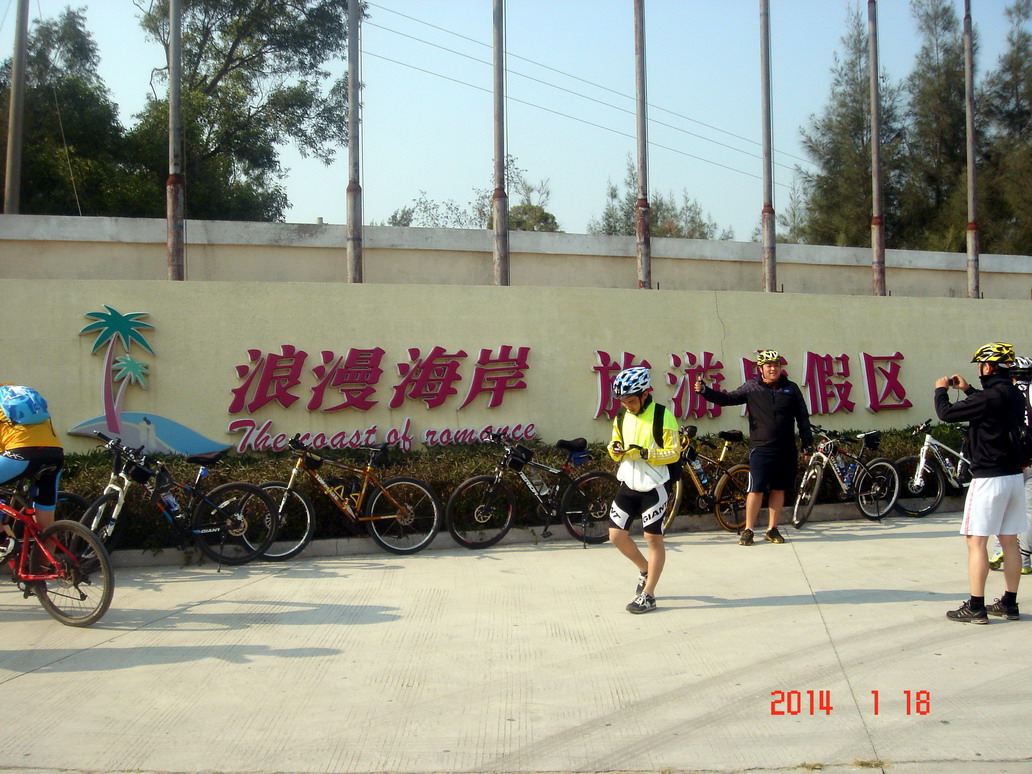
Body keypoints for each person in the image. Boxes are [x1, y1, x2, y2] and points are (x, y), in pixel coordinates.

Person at [935, 343, 1026, 624]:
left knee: (976, 542)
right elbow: (990, 407)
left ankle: (976, 606)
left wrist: (940, 390)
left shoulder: (988, 397)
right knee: (1010, 541)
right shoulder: (1014, 393)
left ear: (988, 367)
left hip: (988, 478)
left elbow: (946, 413)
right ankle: (1009, 604)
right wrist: (968, 390)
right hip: (1014, 477)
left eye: (980, 365)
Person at [693, 349, 812, 546]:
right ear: (760, 369)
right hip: (761, 448)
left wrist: (807, 444)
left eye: (776, 365)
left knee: (778, 489)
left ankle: (772, 529)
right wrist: (705, 391)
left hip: (786, 449)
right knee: (756, 490)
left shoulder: (791, 388)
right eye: (769, 366)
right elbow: (728, 399)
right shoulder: (752, 388)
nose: (773, 369)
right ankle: (748, 530)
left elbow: (802, 417)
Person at [606, 366, 681, 614]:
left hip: (655, 486)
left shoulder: (663, 415)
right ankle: (645, 569)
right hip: (629, 482)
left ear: (645, 394)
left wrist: (646, 454)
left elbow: (674, 452)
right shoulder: (621, 417)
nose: (627, 406)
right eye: (623, 402)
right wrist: (614, 449)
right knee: (616, 536)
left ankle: (649, 595)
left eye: (631, 401)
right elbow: (614, 441)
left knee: (652, 539)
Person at [987, 355, 1032, 577]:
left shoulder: (1004, 393)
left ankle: (999, 549)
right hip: (1030, 457)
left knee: (1004, 507)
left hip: (1008, 459)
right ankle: (1024, 558)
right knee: (1029, 510)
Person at [0, 384, 64, 533]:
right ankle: (48, 548)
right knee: (46, 529)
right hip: (54, 452)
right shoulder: (15, 392)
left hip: (21, 453)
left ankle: (3, 531)